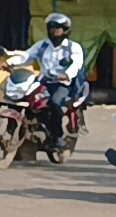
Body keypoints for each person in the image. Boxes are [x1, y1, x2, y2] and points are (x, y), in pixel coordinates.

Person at [10, 11, 84, 152]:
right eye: (52, 28)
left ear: (65, 31)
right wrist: (9, 63)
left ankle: (58, 137)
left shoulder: (73, 47)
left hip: (63, 84)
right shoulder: (42, 45)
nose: (54, 31)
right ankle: (27, 128)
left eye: (58, 28)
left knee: (55, 103)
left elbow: (76, 64)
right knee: (24, 98)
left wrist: (67, 74)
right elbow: (26, 56)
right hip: (43, 82)